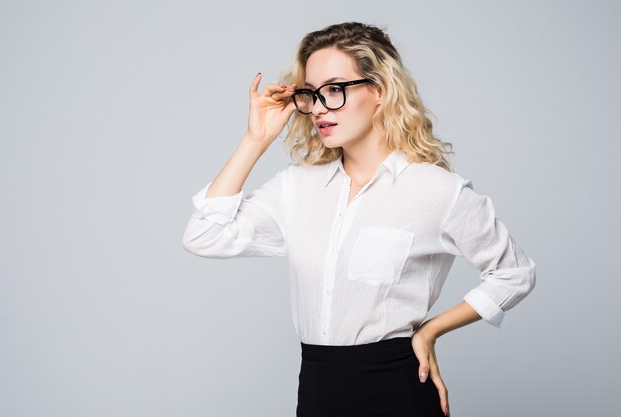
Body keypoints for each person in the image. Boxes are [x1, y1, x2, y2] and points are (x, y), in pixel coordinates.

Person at [182, 21, 536, 417]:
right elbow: (204, 236)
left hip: (399, 390)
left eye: (334, 90)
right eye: (310, 93)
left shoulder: (436, 191)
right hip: (317, 391)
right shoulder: (297, 187)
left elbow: (514, 273)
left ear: (379, 91)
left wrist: (431, 330)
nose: (317, 107)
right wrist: (256, 141)